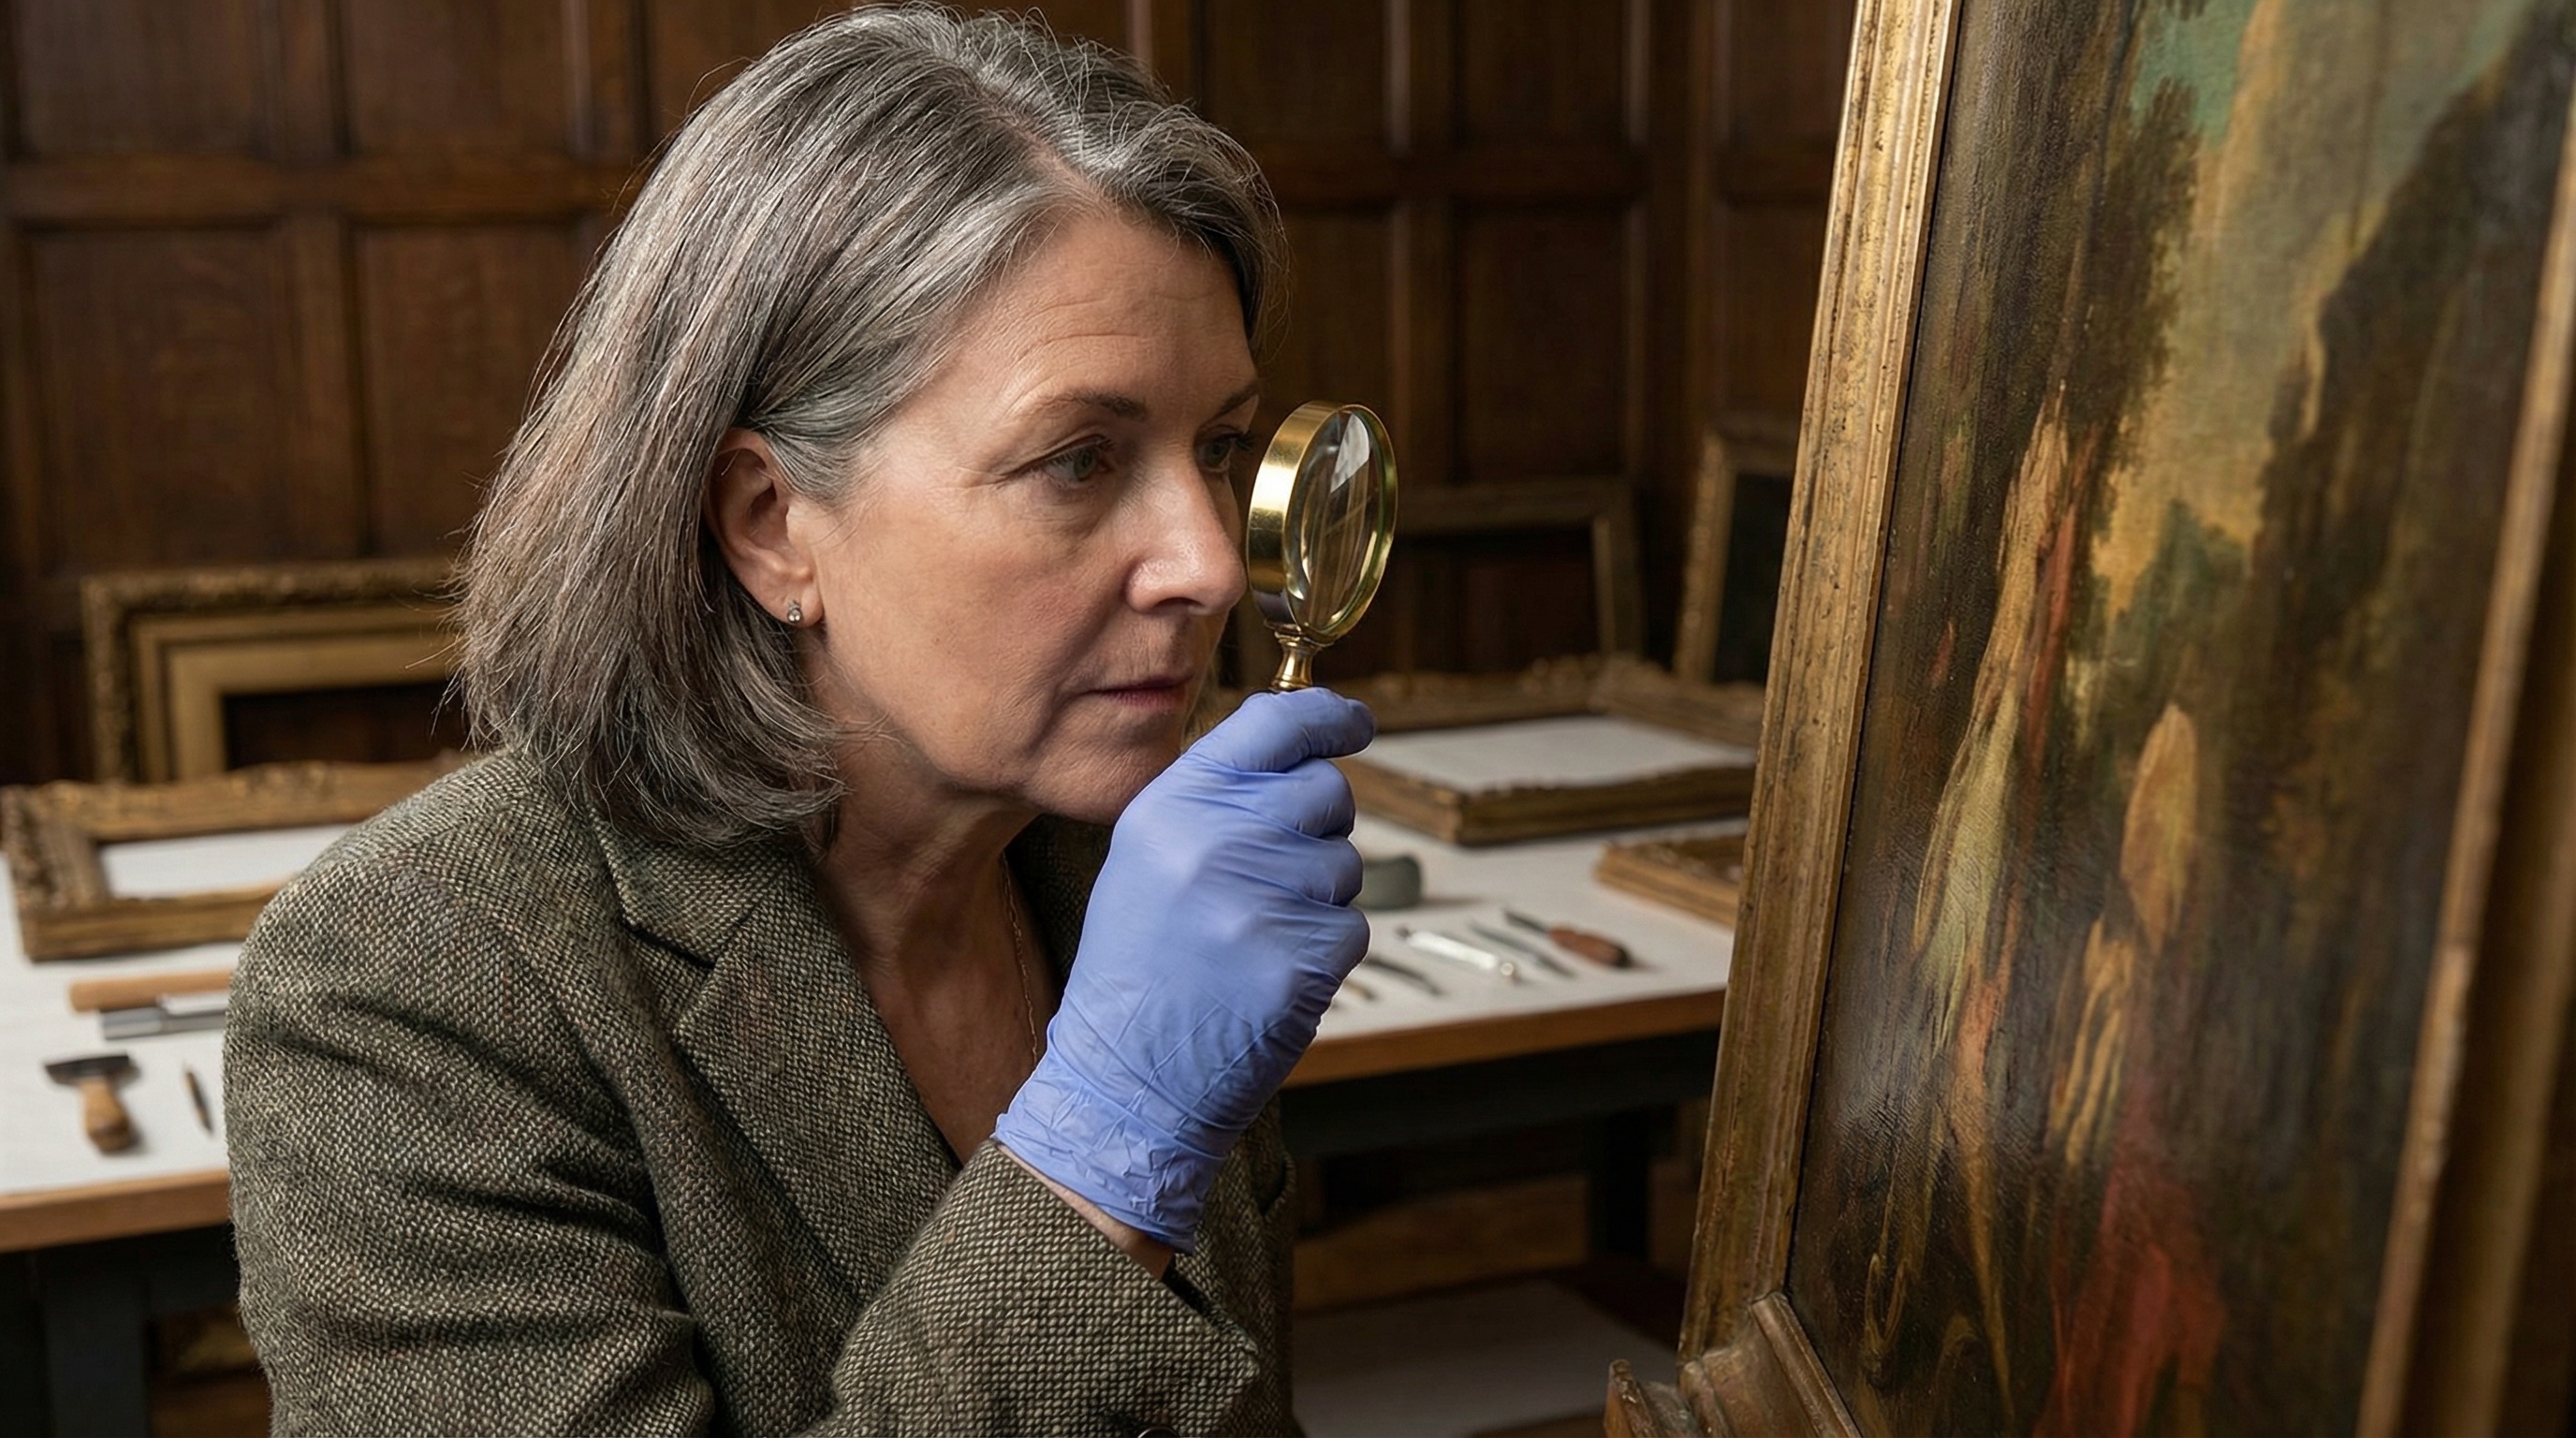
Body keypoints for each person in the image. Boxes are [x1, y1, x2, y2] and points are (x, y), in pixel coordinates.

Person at [225, 7, 1372, 1433]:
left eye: (1215, 448)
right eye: (1080, 461)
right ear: (771, 524)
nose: (1206, 564)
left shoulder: (1111, 874)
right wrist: (1110, 1140)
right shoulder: (420, 986)